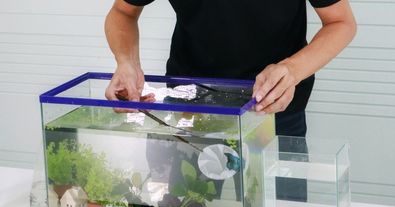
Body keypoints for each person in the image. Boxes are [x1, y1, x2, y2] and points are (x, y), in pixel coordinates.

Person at [104, 0, 356, 137]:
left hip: (273, 112)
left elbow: (341, 22)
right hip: (190, 111)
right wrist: (126, 62)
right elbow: (122, 12)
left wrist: (292, 70)